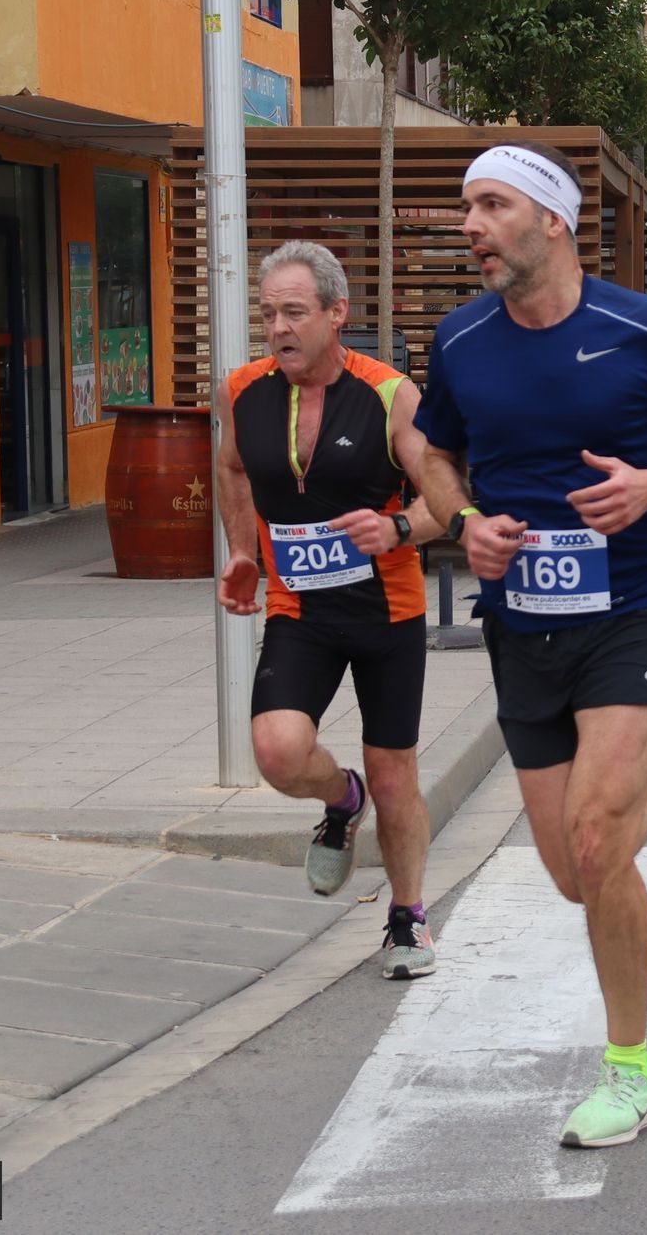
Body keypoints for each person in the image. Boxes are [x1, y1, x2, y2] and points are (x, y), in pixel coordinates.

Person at [416, 141, 647, 1149]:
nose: (472, 227)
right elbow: (432, 453)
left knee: (593, 836)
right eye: (467, 208)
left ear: (552, 220)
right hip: (524, 626)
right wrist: (462, 522)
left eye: (491, 205)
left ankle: (630, 1070)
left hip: (636, 610)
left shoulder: (643, 328)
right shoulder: (460, 339)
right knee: (579, 872)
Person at [214, 240, 446, 982]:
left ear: (336, 313)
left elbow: (449, 494)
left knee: (395, 773)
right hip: (299, 608)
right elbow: (231, 466)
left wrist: (399, 527)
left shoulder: (389, 395)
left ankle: (407, 916)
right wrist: (243, 550)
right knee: (278, 751)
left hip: (387, 611)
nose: (278, 328)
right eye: (268, 314)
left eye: (294, 312)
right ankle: (341, 800)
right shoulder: (242, 390)